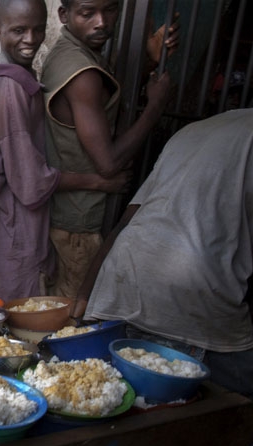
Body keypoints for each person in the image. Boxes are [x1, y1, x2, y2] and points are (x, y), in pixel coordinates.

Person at [77, 109, 253, 398]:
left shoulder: (195, 129)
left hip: (120, 280)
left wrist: (85, 297)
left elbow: (126, 221)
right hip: (192, 293)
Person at [41, 0, 177, 298]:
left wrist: (150, 62)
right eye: (88, 13)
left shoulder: (73, 54)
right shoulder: (83, 72)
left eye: (110, 10)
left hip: (71, 215)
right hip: (78, 224)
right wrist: (155, 106)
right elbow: (108, 163)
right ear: (64, 15)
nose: (101, 21)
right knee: (72, 315)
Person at [0, 0, 115, 301]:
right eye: (19, 30)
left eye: (38, 29)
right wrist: (96, 181)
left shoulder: (20, 79)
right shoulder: (10, 91)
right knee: (25, 319)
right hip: (18, 227)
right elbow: (30, 184)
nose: (30, 39)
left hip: (24, 225)